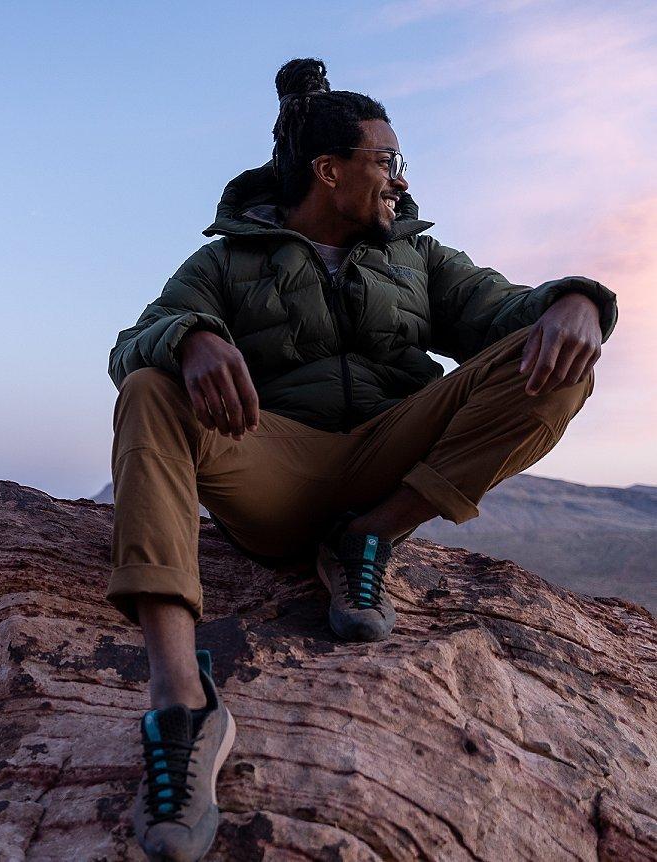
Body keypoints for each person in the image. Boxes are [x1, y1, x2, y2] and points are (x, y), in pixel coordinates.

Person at [106, 58, 617, 861]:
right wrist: (191, 338)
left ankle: (369, 537)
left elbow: (505, 309)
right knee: (146, 386)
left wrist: (579, 298)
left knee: (553, 359)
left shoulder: (417, 258)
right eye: (387, 163)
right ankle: (181, 700)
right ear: (329, 170)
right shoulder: (227, 261)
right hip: (278, 465)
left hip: (388, 454)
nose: (401, 183)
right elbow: (134, 341)